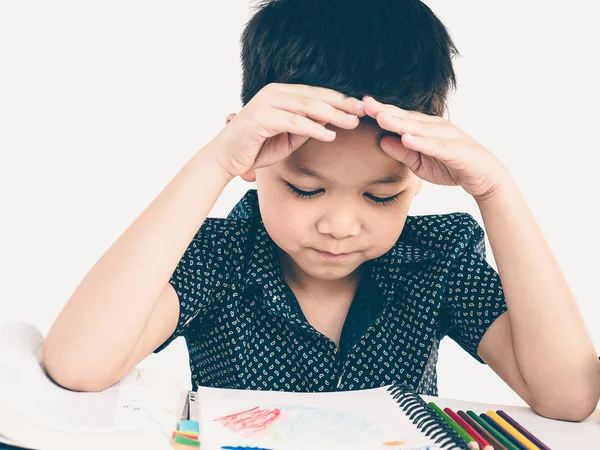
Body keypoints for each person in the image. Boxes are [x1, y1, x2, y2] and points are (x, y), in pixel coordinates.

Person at [43, 0, 599, 421]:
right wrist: (215, 163)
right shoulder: (217, 260)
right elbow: (79, 365)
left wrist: (496, 190)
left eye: (381, 196)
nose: (338, 226)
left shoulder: (437, 261)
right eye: (305, 190)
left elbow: (568, 397)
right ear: (257, 157)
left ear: (419, 174)